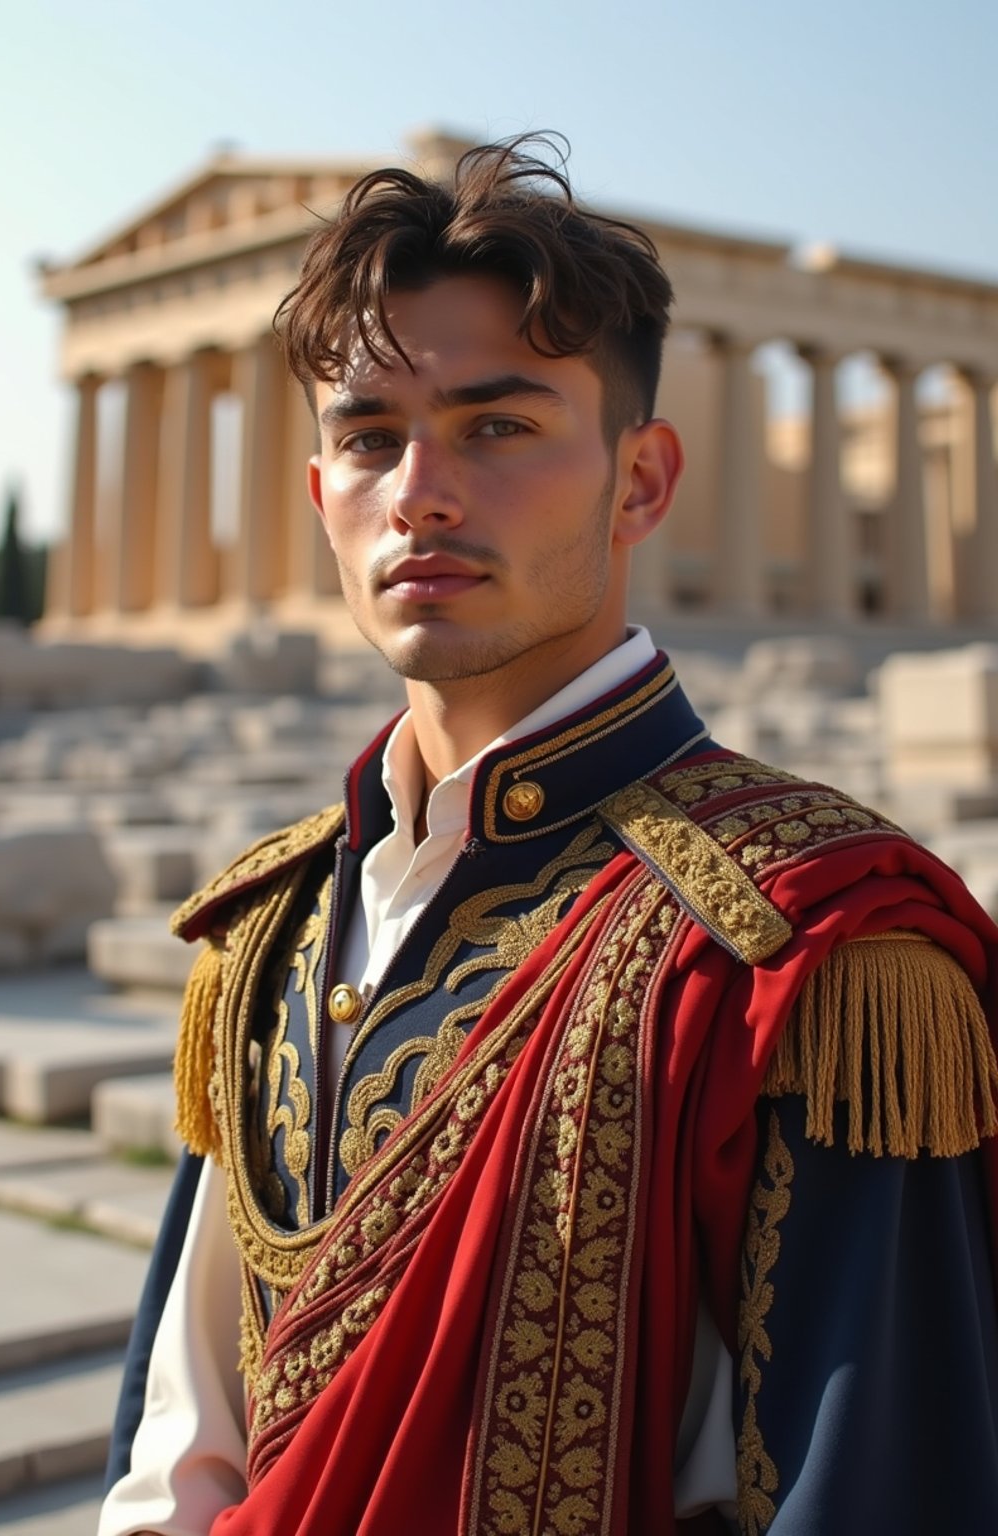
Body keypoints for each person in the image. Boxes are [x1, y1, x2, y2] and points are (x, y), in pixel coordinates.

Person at [99, 137, 998, 1536]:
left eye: (498, 426)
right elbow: (179, 1447)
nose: (422, 494)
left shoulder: (819, 954)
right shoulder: (263, 936)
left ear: (641, 483)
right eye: (370, 436)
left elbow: (881, 1484)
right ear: (322, 490)